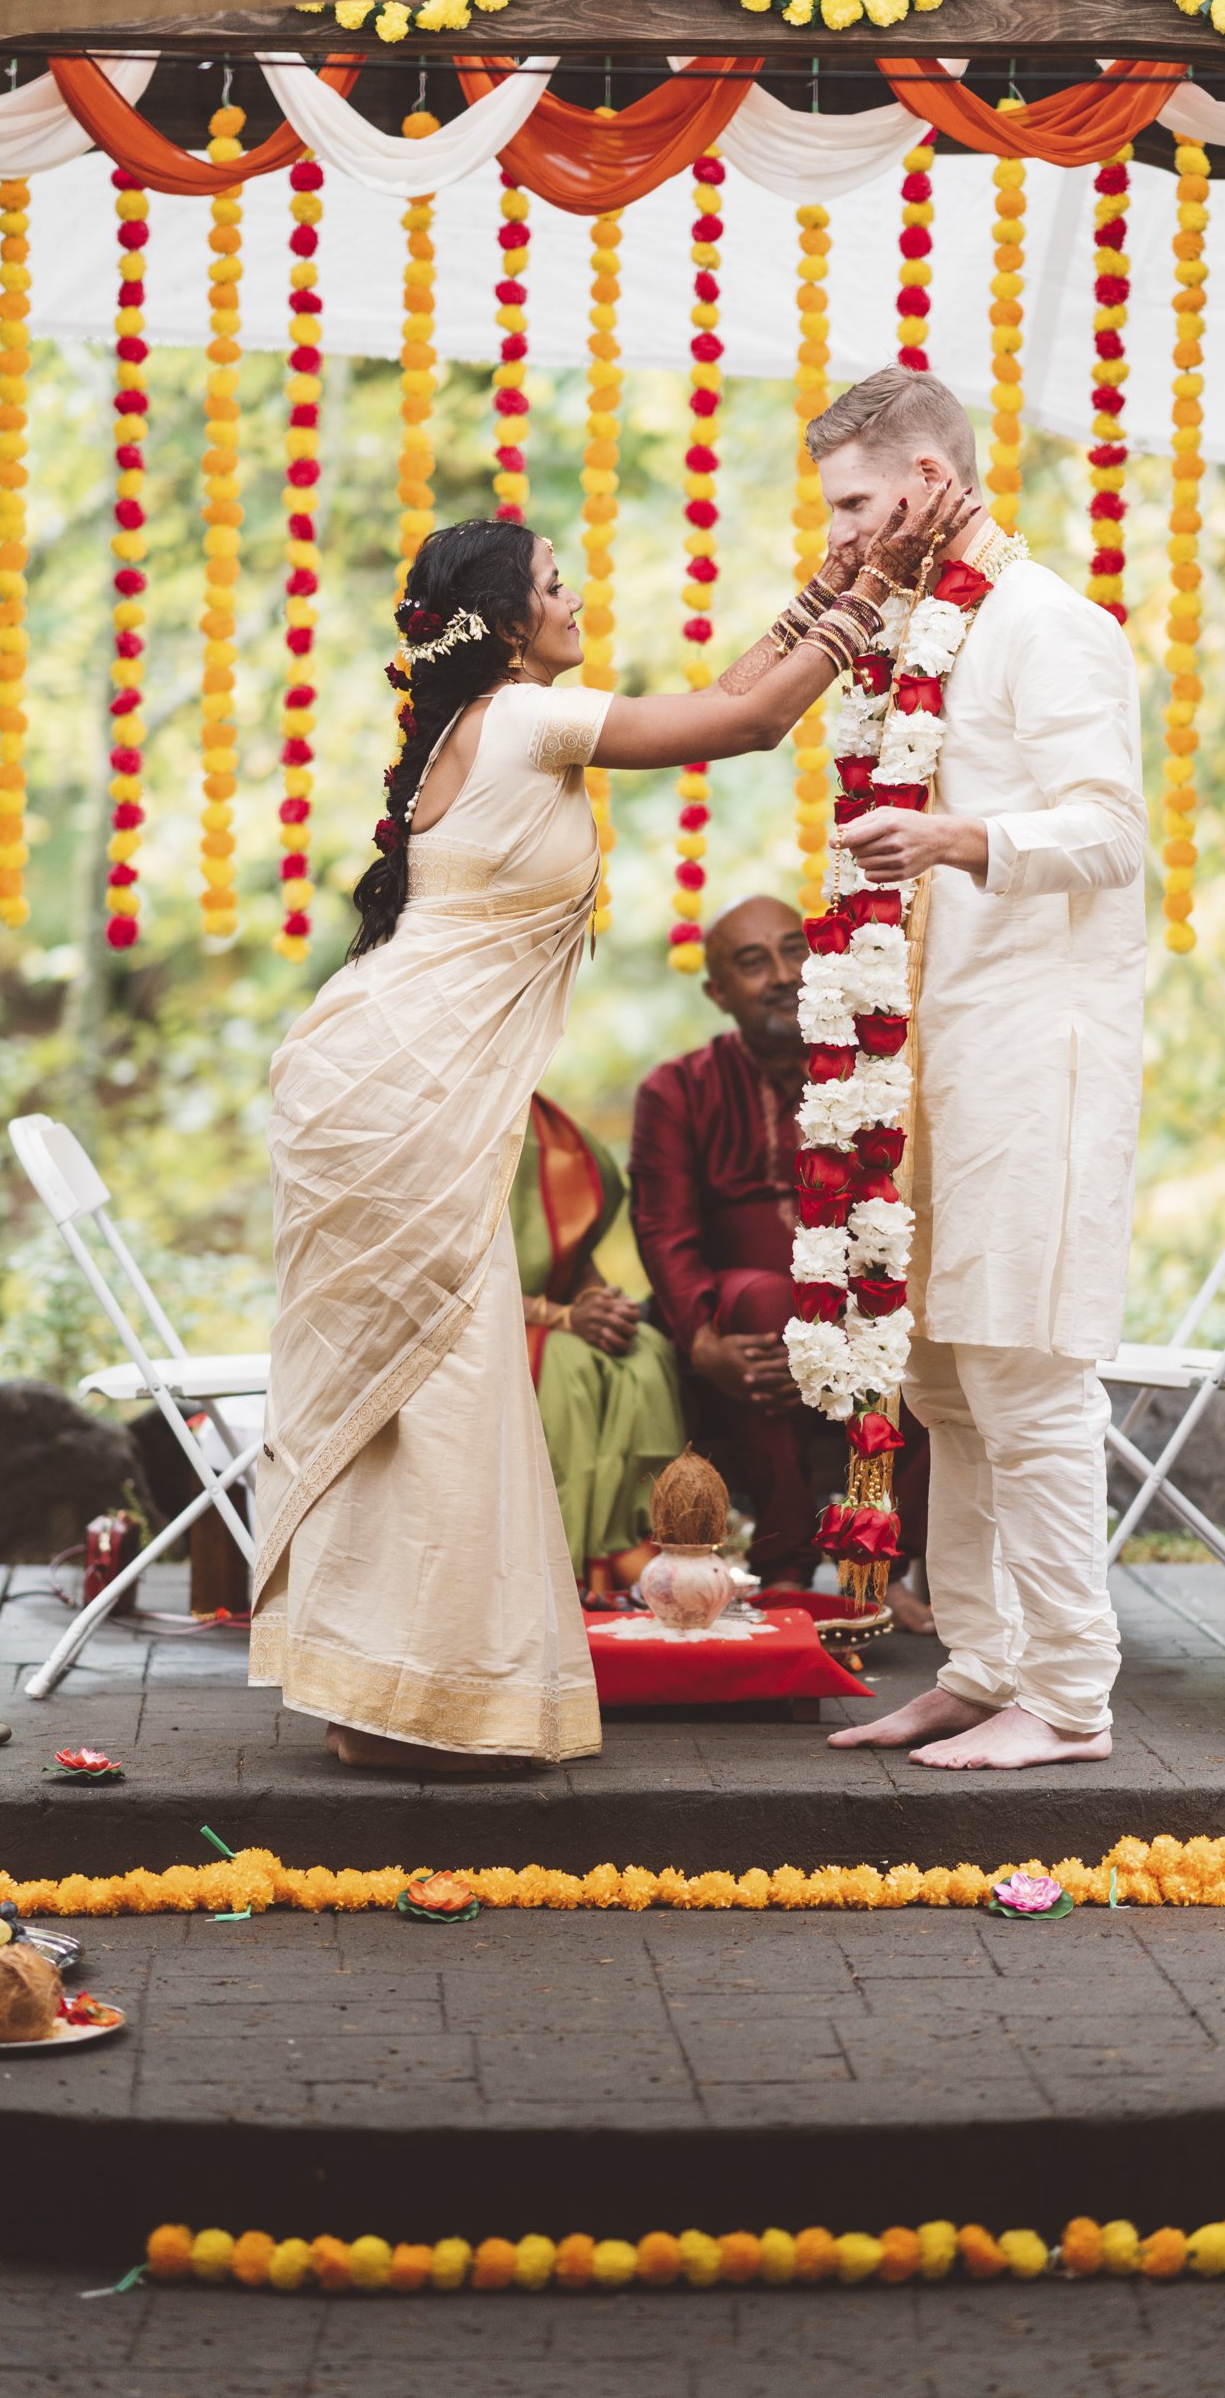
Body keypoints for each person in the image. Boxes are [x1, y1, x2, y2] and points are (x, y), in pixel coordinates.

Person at [251, 504, 942, 1774]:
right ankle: (426, 1703)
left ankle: (383, 1695)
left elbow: (714, 693)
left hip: (376, 1077)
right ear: (510, 624)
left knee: (418, 1391)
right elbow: (740, 724)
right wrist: (877, 591)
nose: (576, 602)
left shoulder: (492, 721)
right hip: (401, 1092)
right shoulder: (524, 718)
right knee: (448, 1384)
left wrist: (822, 587)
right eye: (556, 587)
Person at [800, 366, 1148, 1772]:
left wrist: (954, 840)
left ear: (934, 483)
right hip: (933, 1052)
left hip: (1031, 1052)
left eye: (858, 504)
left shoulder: (1048, 626)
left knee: (1025, 1376)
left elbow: (1112, 833)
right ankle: (985, 1662)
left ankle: (1069, 1695)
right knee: (940, 1378)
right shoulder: (914, 633)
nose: (839, 536)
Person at [630, 894, 930, 1603]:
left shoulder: (876, 1073)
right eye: (751, 962)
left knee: (913, 1313)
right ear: (718, 992)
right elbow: (664, 1232)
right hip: (739, 1329)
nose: (782, 973)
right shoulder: (676, 1090)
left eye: (795, 950)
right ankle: (786, 1561)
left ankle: (892, 1567)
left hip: (865, 1312)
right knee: (772, 1301)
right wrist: (703, 1344)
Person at [512, 1091, 685, 1591]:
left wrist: (601, 1306)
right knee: (570, 1363)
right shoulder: (434, 1124)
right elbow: (440, 1280)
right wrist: (562, 1317)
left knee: (644, 1349)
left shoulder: (551, 1131)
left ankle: (636, 1549)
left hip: (550, 1314)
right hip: (471, 1323)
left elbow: (574, 1259)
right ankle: (571, 1570)